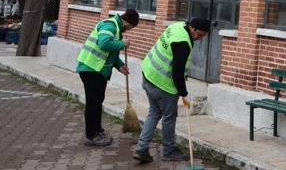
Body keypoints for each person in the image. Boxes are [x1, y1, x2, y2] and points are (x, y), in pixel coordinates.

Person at [132, 17, 211, 163]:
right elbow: (177, 73)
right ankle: (169, 151)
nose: (200, 39)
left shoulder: (178, 26)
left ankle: (141, 149)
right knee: (169, 117)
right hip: (163, 84)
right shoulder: (183, 44)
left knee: (154, 112)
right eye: (199, 35)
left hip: (149, 74)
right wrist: (184, 94)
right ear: (192, 28)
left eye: (203, 37)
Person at [76, 8, 140, 146]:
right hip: (91, 68)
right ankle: (91, 136)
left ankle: (97, 131)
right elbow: (104, 44)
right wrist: (122, 44)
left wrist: (120, 66)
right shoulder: (109, 25)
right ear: (128, 24)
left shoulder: (116, 28)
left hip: (97, 70)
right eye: (130, 28)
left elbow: (112, 54)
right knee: (93, 103)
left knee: (97, 101)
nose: (128, 30)